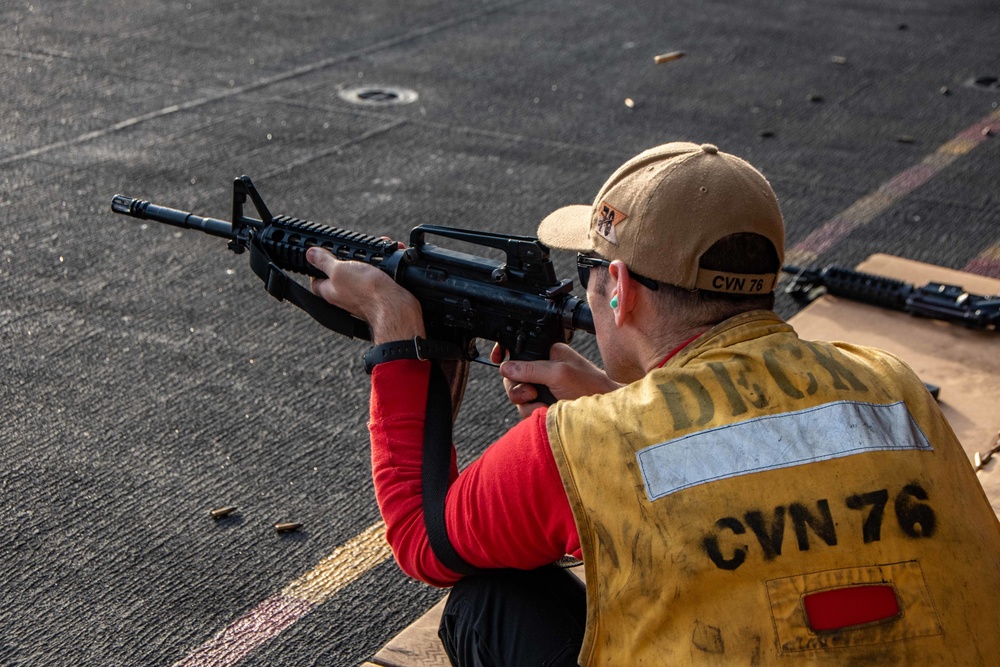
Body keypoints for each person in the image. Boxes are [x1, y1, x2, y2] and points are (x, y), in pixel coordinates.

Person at [306, 142, 1000, 665]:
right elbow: (763, 448)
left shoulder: (581, 443)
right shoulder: (890, 382)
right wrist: (619, 398)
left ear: (620, 288)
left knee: (491, 603)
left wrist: (399, 339)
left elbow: (422, 542)